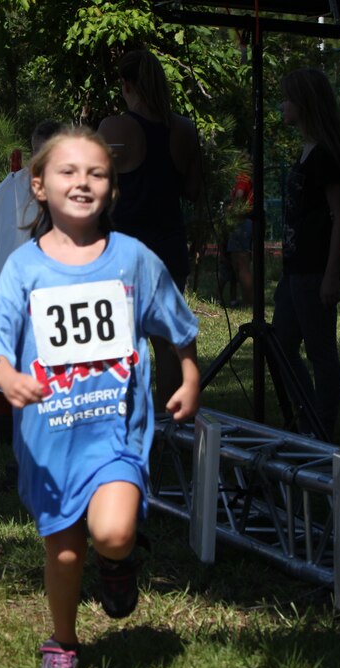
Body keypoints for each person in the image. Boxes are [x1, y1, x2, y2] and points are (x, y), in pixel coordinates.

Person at [0, 126, 199, 668]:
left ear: (112, 189)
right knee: (65, 552)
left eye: (97, 173)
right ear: (39, 186)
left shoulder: (133, 259)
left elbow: (176, 323)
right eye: (68, 172)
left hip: (115, 433)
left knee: (114, 532)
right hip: (49, 440)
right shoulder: (24, 268)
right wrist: (7, 377)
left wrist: (190, 376)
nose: (82, 183)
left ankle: (118, 562)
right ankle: (64, 639)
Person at [98, 49, 202, 407]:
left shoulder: (115, 127)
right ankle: (169, 428)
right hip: (169, 246)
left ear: (126, 85)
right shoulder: (184, 130)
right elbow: (193, 189)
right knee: (167, 343)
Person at [274, 68, 340, 438]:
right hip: (295, 268)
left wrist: (330, 275)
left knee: (320, 352)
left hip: (314, 268)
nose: (282, 105)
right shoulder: (306, 150)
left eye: (288, 98)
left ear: (305, 103)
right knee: (282, 344)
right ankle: (308, 419)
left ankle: (322, 430)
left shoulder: (327, 155)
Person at [226, 157, 255, 307]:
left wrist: (231, 209)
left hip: (241, 222)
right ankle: (246, 300)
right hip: (244, 222)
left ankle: (249, 302)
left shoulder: (243, 177)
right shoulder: (247, 177)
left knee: (242, 263)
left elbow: (239, 195)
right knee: (238, 264)